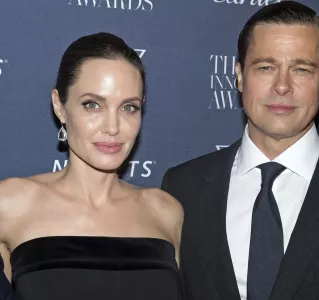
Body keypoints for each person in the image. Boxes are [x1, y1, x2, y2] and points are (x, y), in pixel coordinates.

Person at [161, 2, 319, 300]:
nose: (282, 86)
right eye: (265, 67)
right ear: (239, 75)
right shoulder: (182, 187)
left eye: (301, 69)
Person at [0, 32, 184, 300]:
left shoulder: (165, 211)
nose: (112, 127)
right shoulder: (11, 204)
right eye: (92, 105)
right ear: (60, 106)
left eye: (128, 108)